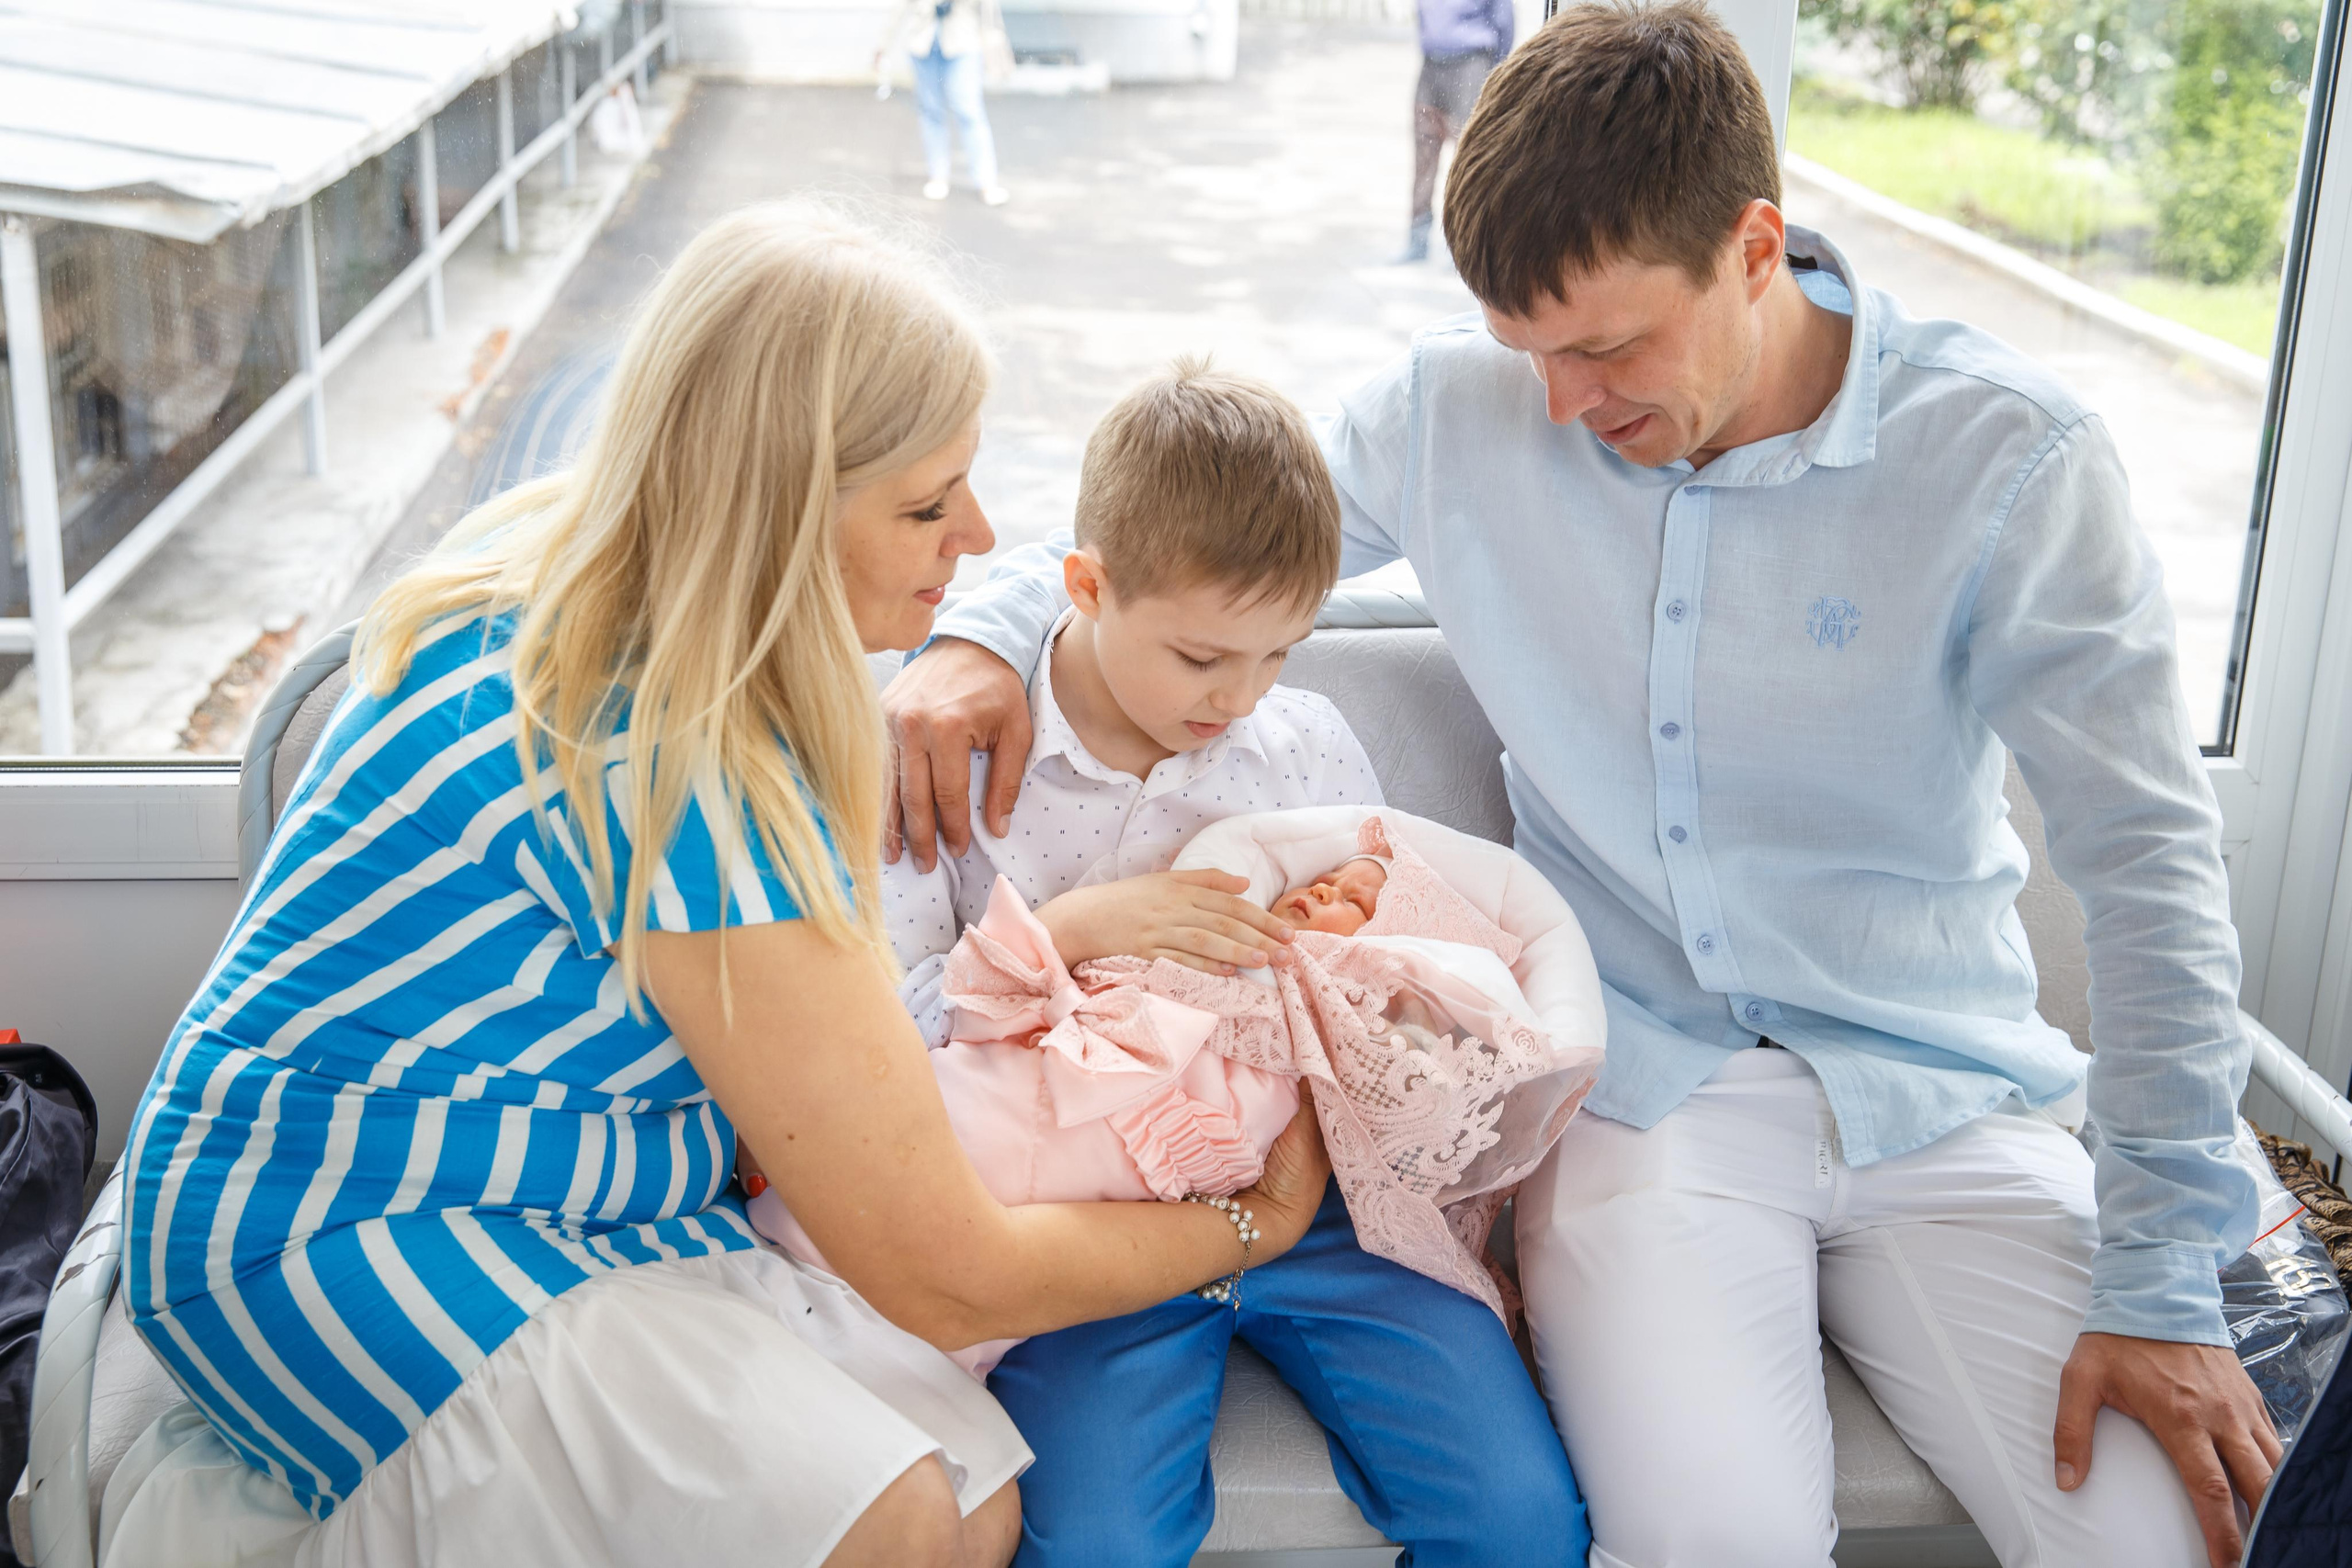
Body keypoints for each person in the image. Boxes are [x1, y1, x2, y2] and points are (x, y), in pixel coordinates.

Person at [876, 5, 2283, 1567]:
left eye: (1607, 347)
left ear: (1757, 249)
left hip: (1948, 1088)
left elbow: (2155, 870)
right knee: (1709, 1543)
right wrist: (985, 643)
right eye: (1521, 349)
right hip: (1646, 1095)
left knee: (2178, 1532)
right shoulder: (1454, 411)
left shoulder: (2008, 461)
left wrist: (2160, 1282)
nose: (1556, 406)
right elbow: (1177, 538)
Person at [111, 203, 1334, 1568]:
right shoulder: (673, 758)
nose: (979, 535)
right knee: (903, 1523)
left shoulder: (588, 578)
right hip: (342, 1218)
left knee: (978, 1501)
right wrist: (1248, 1221)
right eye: (928, 505)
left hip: (587, 1187)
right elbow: (944, 1271)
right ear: (772, 511)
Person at [862, 362, 1591, 1565]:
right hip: (1081, 1223)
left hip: (1321, 1201)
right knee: (1092, 1539)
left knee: (1522, 1520)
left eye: (1279, 654)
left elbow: (1375, 978)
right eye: (1205, 657)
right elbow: (894, 1026)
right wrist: (1080, 928)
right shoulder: (960, 758)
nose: (1242, 698)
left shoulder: (1300, 744)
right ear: (1085, 584)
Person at [1398, 0, 1514, 263]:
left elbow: (1504, 22)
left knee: (1469, 160)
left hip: (1471, 63)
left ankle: (1464, 247)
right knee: (1423, 155)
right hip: (1431, 63)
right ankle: (1417, 240)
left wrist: (1493, 73)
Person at [879, 0, 1013, 207]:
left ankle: (987, 182)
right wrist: (883, 43)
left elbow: (988, 9)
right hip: (923, 41)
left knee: (969, 110)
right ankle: (938, 176)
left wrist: (993, 42)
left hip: (964, 40)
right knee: (931, 111)